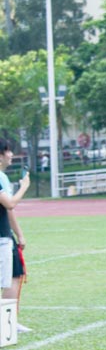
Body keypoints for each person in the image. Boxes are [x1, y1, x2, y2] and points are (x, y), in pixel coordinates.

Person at [0, 139, 31, 329]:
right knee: (7, 278)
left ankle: (8, 322)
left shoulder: (2, 176)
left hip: (5, 234)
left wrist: (18, 234)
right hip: (1, 237)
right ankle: (6, 323)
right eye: (8, 151)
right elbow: (9, 204)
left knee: (13, 276)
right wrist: (24, 187)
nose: (11, 155)